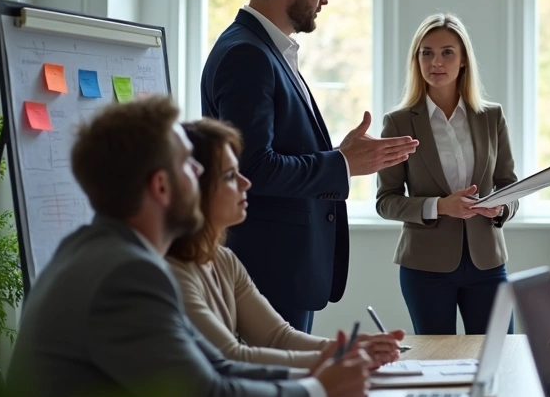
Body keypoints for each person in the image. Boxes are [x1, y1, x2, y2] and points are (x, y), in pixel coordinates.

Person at [5, 97, 373, 397]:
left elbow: (219, 369)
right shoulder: (126, 274)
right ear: (161, 186)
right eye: (188, 164)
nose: (199, 173)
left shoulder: (105, 251)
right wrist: (320, 391)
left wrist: (328, 374)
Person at [201, 0, 419, 333]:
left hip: (282, 270)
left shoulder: (266, 50)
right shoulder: (247, 55)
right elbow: (252, 167)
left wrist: (341, 154)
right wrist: (340, 163)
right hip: (268, 273)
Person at [167, 118, 406, 368]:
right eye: (229, 176)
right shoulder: (172, 271)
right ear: (193, 186)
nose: (245, 183)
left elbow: (277, 337)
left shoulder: (224, 260)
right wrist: (339, 359)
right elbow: (232, 357)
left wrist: (351, 348)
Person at [376, 14, 517, 335]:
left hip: (488, 263)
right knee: (437, 363)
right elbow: (386, 201)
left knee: (500, 356)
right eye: (426, 52)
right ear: (417, 59)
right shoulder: (398, 122)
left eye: (447, 52)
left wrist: (501, 208)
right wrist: (440, 206)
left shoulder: (491, 117)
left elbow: (510, 186)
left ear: (464, 59)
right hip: (425, 268)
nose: (435, 62)